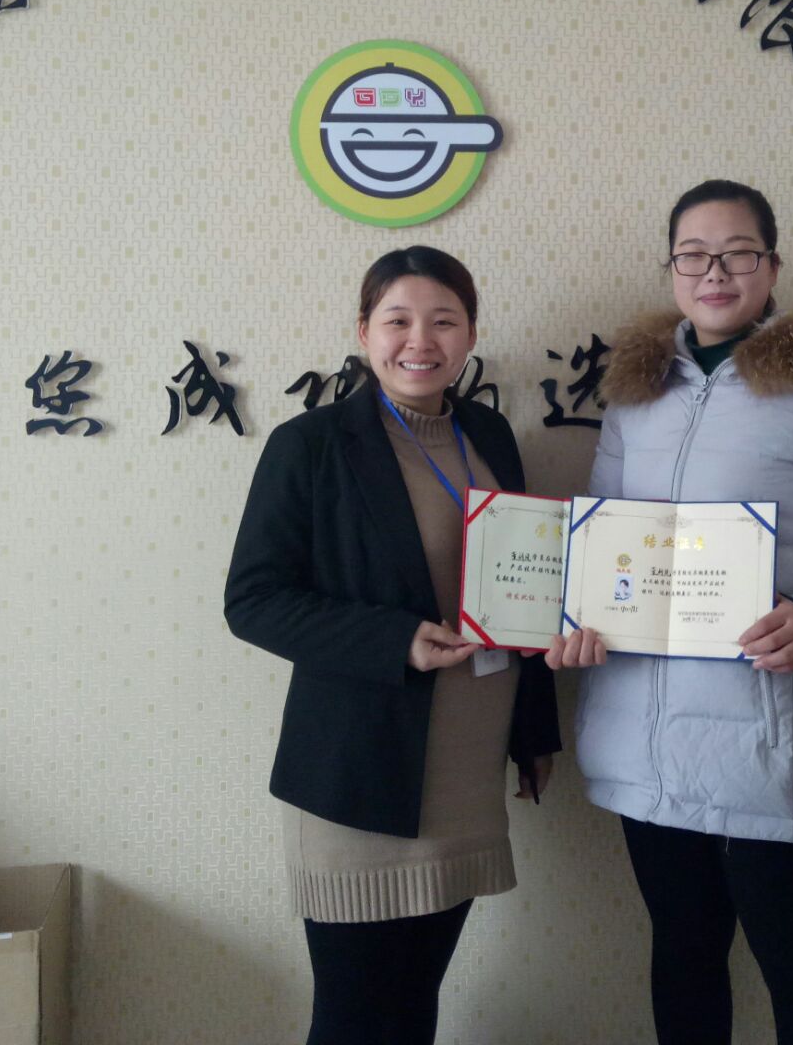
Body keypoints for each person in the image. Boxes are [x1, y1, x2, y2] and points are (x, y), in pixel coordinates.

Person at [547, 179, 793, 1045]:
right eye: (693, 255)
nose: (714, 273)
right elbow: (607, 542)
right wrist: (578, 618)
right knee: (683, 959)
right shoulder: (636, 393)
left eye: (737, 253)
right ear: (671, 269)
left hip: (774, 736)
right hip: (648, 736)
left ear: (772, 266)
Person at [224, 246, 560, 1045]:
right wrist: (394, 639)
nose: (420, 340)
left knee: (413, 1009)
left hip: (465, 771)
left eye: (444, 321)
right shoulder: (311, 444)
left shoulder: (490, 434)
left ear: (470, 333)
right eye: (398, 320)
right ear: (363, 331)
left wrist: (534, 732)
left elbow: (524, 593)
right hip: (360, 776)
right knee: (352, 1020)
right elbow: (253, 601)